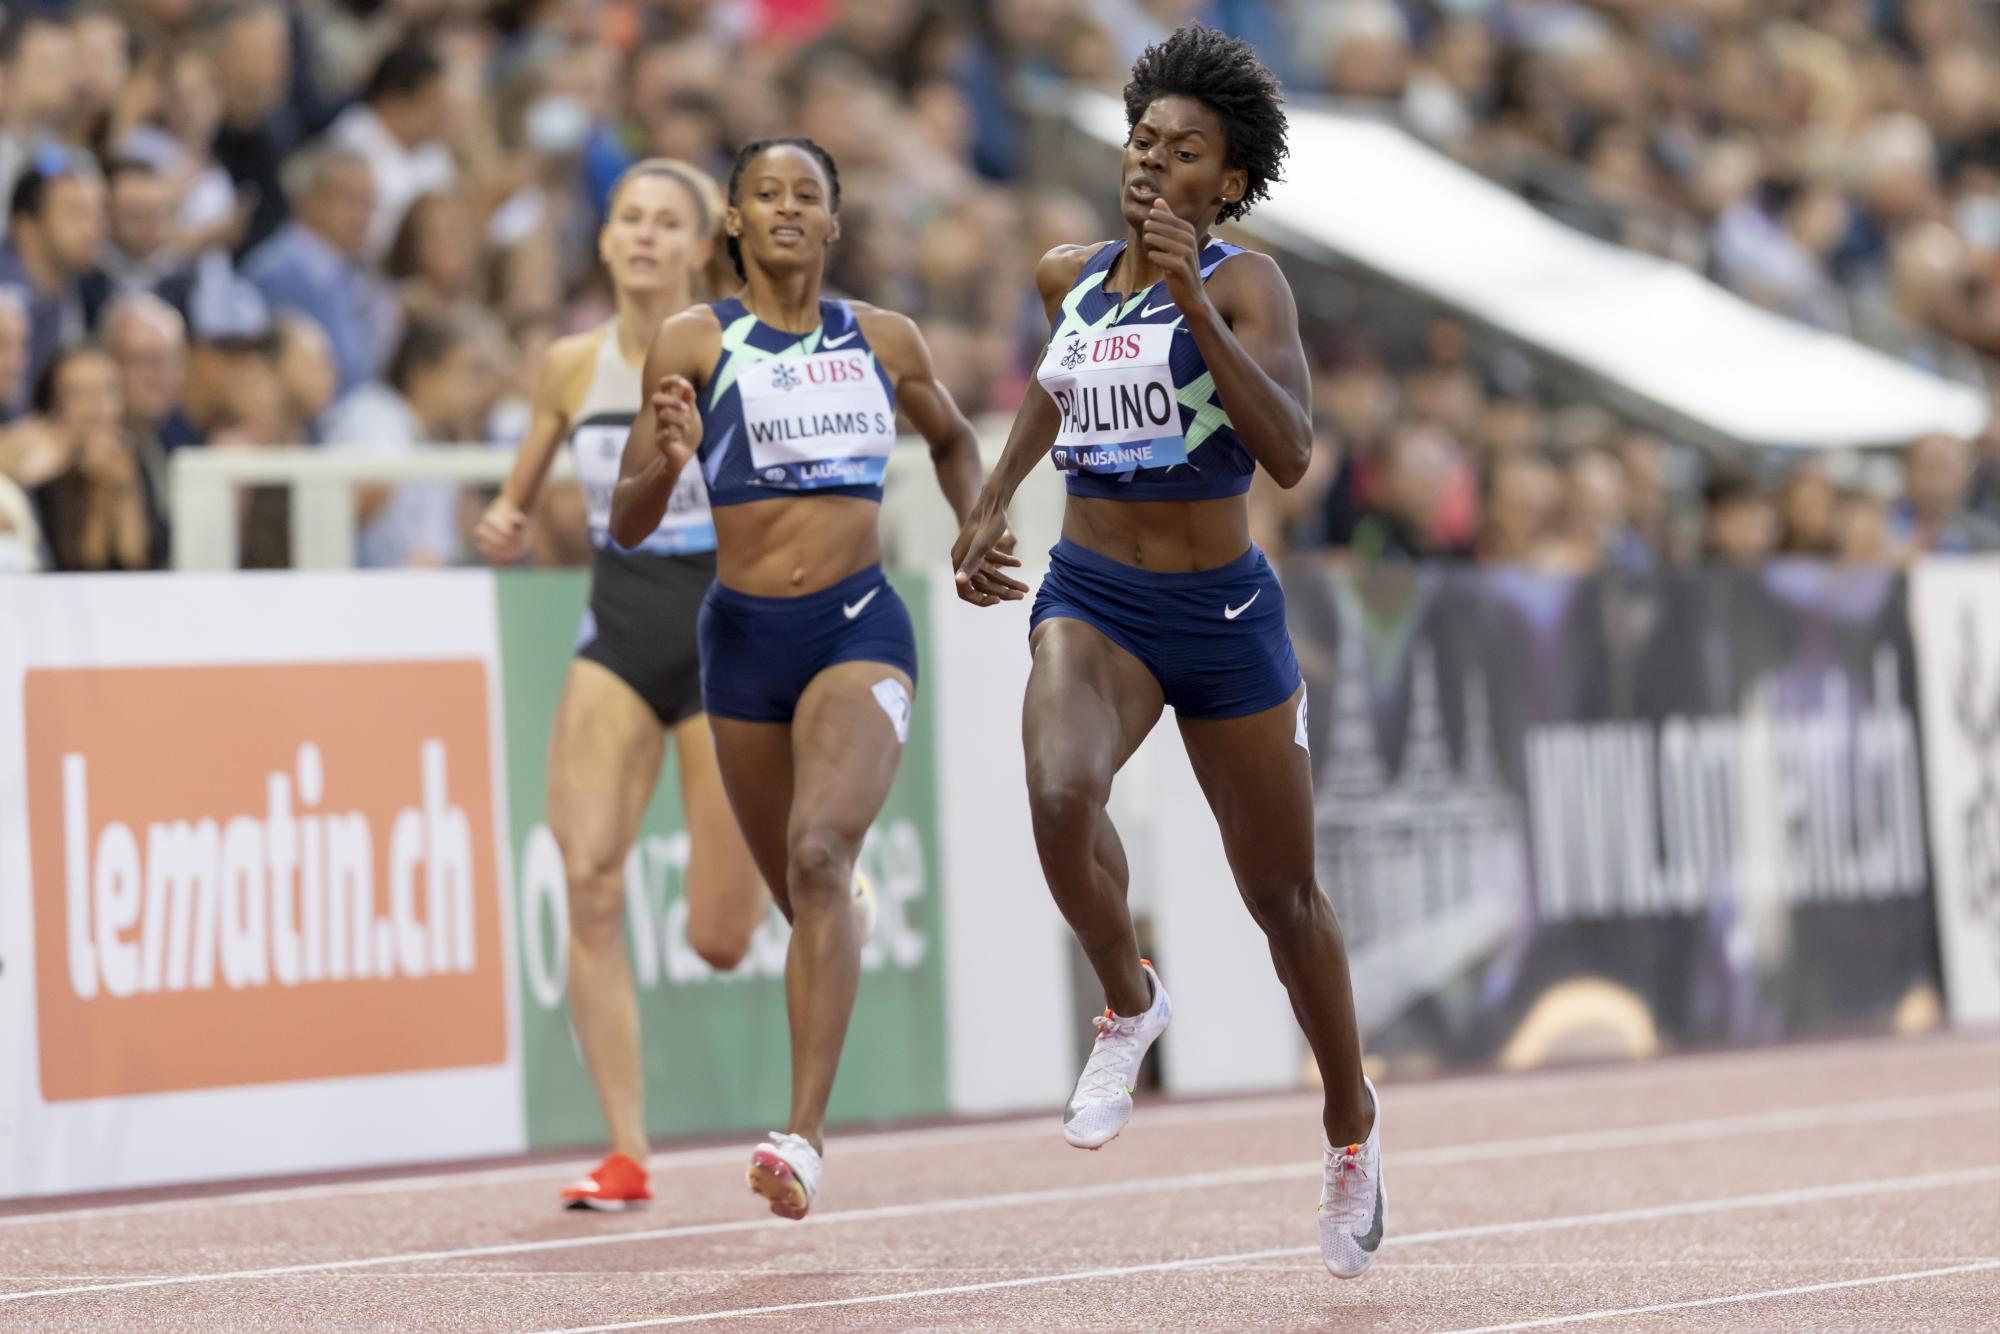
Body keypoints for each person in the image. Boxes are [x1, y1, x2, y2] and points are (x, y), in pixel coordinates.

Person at [948, 26, 1385, 1279]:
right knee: (1055, 791)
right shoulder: (1065, 275)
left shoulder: (1249, 284)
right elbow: (1056, 381)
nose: (1149, 164)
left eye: (1182, 151)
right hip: (1096, 596)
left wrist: (1193, 295)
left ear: (1226, 185)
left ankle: (1349, 1121)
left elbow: (1291, 451)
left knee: (1281, 902)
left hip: (1224, 616)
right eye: (1141, 141)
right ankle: (1130, 996)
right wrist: (991, 500)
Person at [610, 137, 1003, 1221]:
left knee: (820, 852)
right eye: (764, 195)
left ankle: (802, 1136)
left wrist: (976, 526)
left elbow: (956, 438)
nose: (786, 210)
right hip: (738, 640)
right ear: (732, 221)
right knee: (805, 892)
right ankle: (841, 912)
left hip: (855, 627)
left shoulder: (883, 337)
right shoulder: (692, 338)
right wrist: (667, 452)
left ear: (833, 223)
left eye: (807, 197)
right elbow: (631, 518)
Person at [474, 159, 767, 1212]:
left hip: (720, 639)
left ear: (700, 246)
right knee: (590, 879)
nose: (643, 235)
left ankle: (823, 866)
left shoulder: (734, 351)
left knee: (718, 937)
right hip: (619, 632)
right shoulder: (567, 365)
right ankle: (627, 1149)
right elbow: (518, 498)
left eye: (666, 222)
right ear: (602, 241)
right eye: (627, 219)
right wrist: (506, 522)